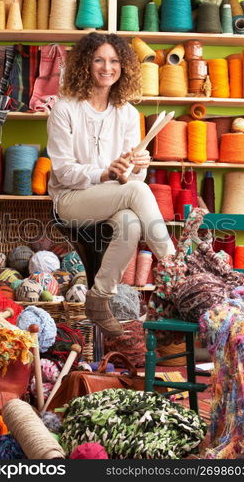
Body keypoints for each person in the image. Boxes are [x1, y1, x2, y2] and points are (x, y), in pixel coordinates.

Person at [47, 33, 175, 338]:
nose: (108, 67)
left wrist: (138, 167)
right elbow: (64, 172)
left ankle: (99, 299)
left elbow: (131, 182)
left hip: (112, 198)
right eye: (99, 59)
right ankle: (174, 271)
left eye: (115, 60)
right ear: (85, 65)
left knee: (130, 222)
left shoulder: (128, 114)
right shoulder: (64, 109)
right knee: (135, 193)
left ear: (124, 67)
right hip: (70, 199)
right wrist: (105, 173)